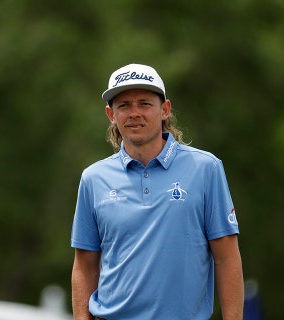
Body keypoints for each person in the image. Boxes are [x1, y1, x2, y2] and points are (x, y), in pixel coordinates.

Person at [71, 63, 244, 320]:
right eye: (124, 106)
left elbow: (227, 258)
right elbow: (85, 267)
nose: (134, 113)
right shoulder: (93, 178)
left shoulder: (206, 168)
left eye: (144, 103)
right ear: (111, 114)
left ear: (165, 109)